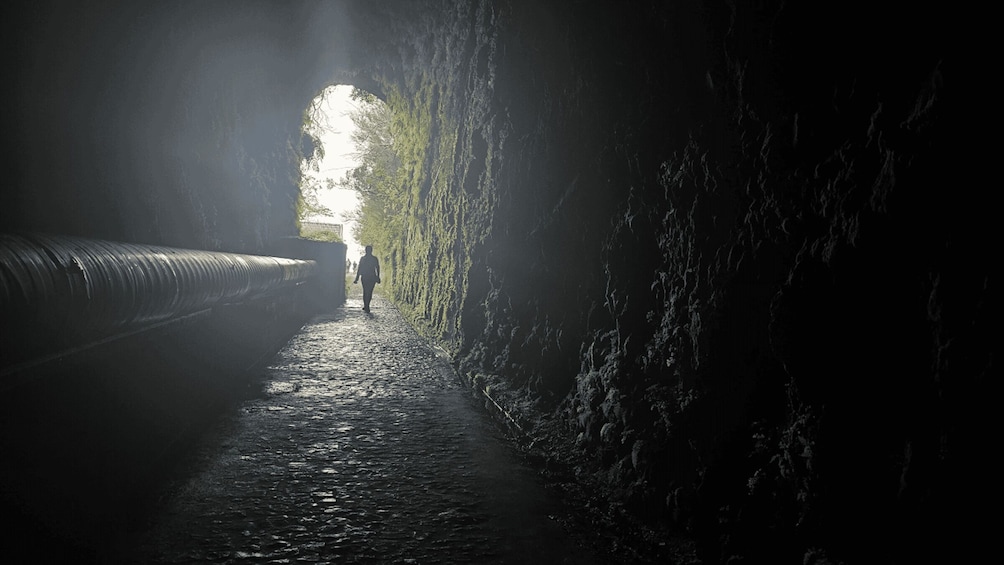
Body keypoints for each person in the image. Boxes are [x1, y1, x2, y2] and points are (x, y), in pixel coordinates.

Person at [353, 245, 381, 313]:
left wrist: (357, 278)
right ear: (371, 250)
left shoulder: (363, 259)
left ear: (366, 250)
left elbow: (359, 269)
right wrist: (377, 277)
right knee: (369, 291)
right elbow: (377, 268)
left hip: (365, 277)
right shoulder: (374, 259)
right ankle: (367, 305)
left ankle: (366, 305)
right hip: (372, 277)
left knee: (365, 291)